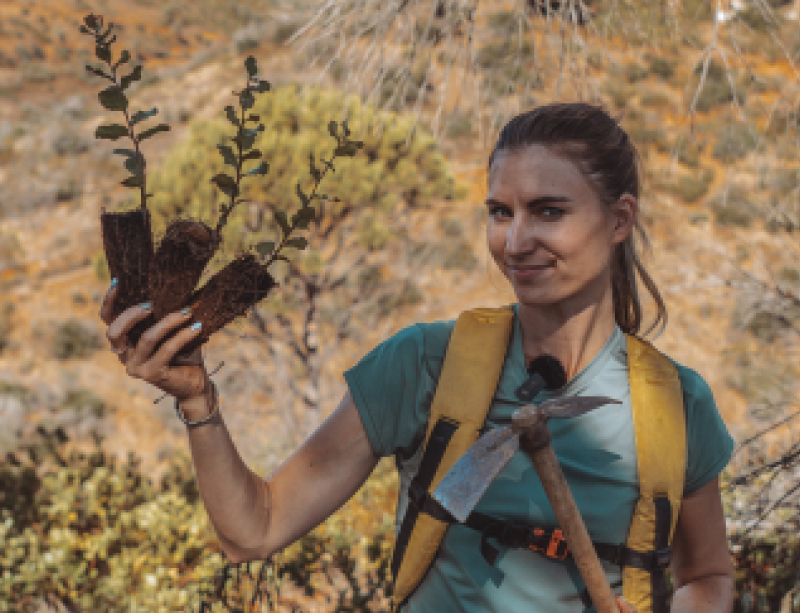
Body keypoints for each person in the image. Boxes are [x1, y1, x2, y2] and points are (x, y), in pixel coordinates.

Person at [100, 103, 735, 612]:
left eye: (549, 211)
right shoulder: (426, 364)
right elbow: (253, 530)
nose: (515, 242)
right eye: (499, 212)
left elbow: (707, 574)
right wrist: (198, 402)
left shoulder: (674, 405)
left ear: (619, 219)